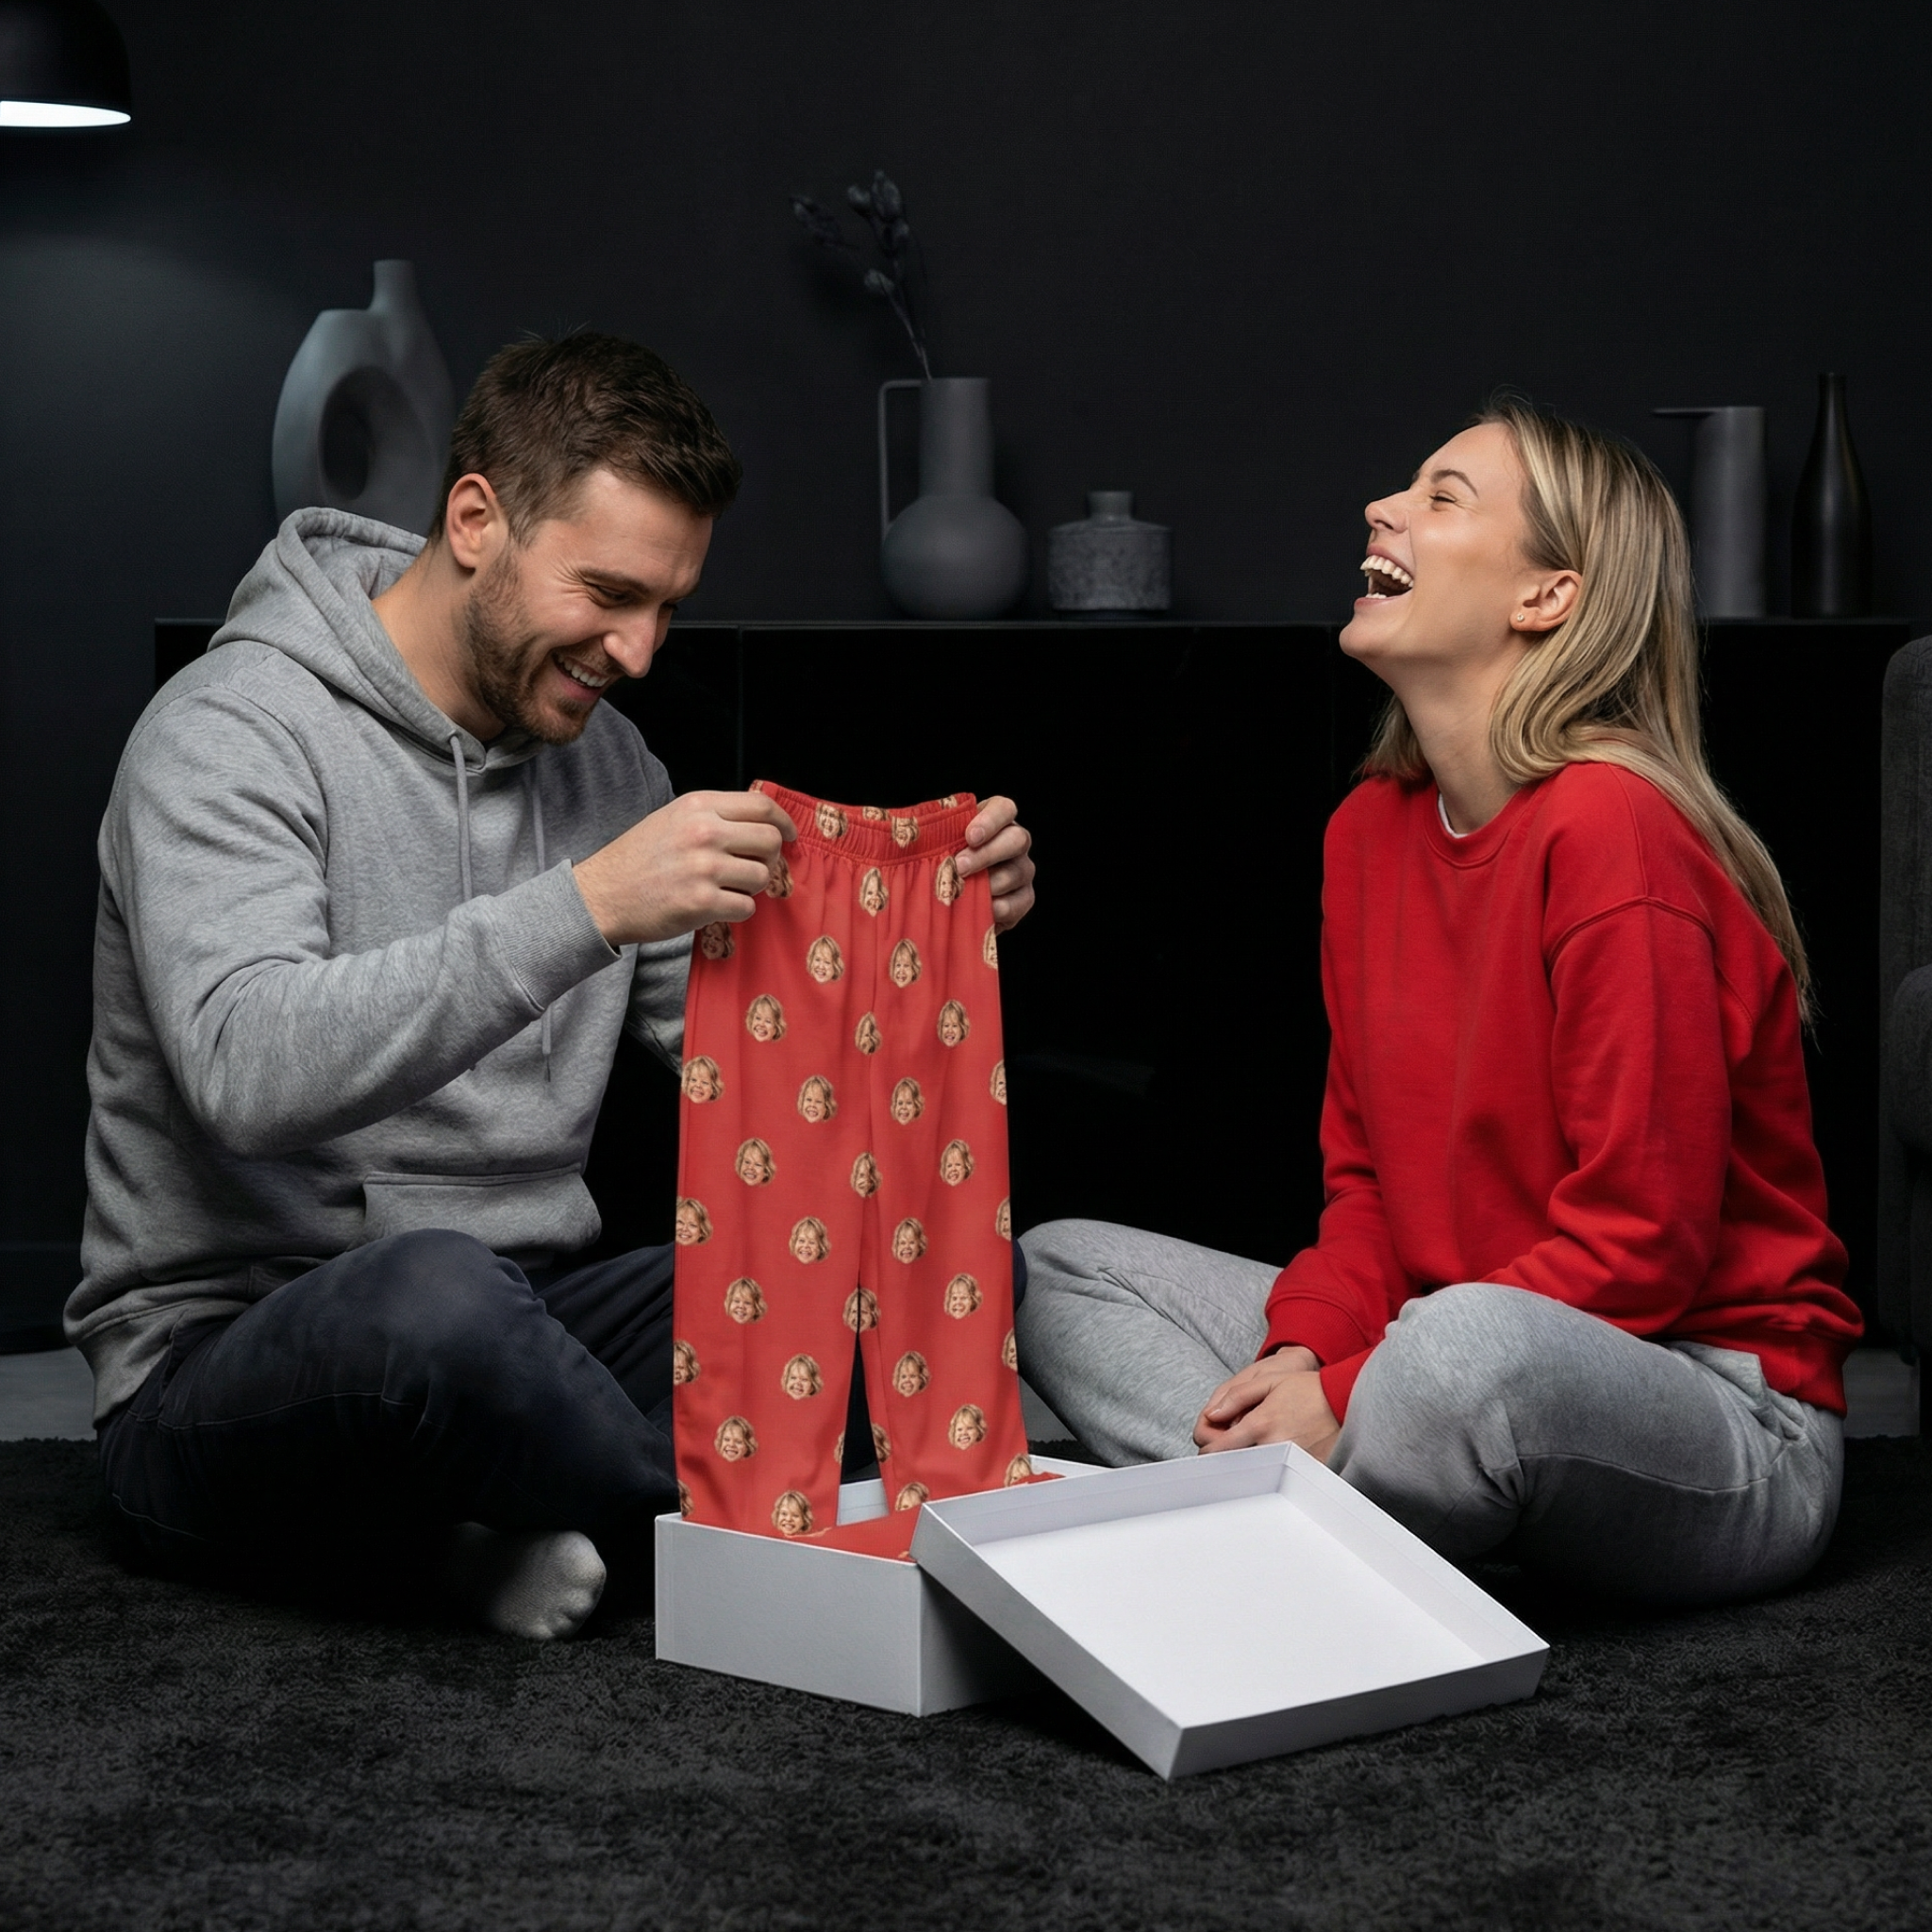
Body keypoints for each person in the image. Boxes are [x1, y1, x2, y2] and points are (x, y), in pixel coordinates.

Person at [72, 331, 1036, 1641]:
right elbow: (246, 1069)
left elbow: (746, 1057)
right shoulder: (228, 732)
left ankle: (475, 1543)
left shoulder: (604, 758)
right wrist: (586, 907)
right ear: (477, 519)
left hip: (532, 1325)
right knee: (436, 1303)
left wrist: (932, 932)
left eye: (669, 607)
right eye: (609, 593)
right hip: (235, 1360)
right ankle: (722, 1534)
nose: (638, 651)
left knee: (899, 1283)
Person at [1018, 400, 1861, 1608]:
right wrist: (1308, 1350)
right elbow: (1365, 1186)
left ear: (1545, 596)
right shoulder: (1368, 832)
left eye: (1442, 495)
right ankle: (1372, 1521)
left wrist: (1352, 1387)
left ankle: (1302, 1521)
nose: (1383, 506)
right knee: (1058, 1267)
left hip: (1712, 1406)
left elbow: (1644, 1241)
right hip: (1427, 1351)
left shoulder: (1613, 833)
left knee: (1457, 1354)